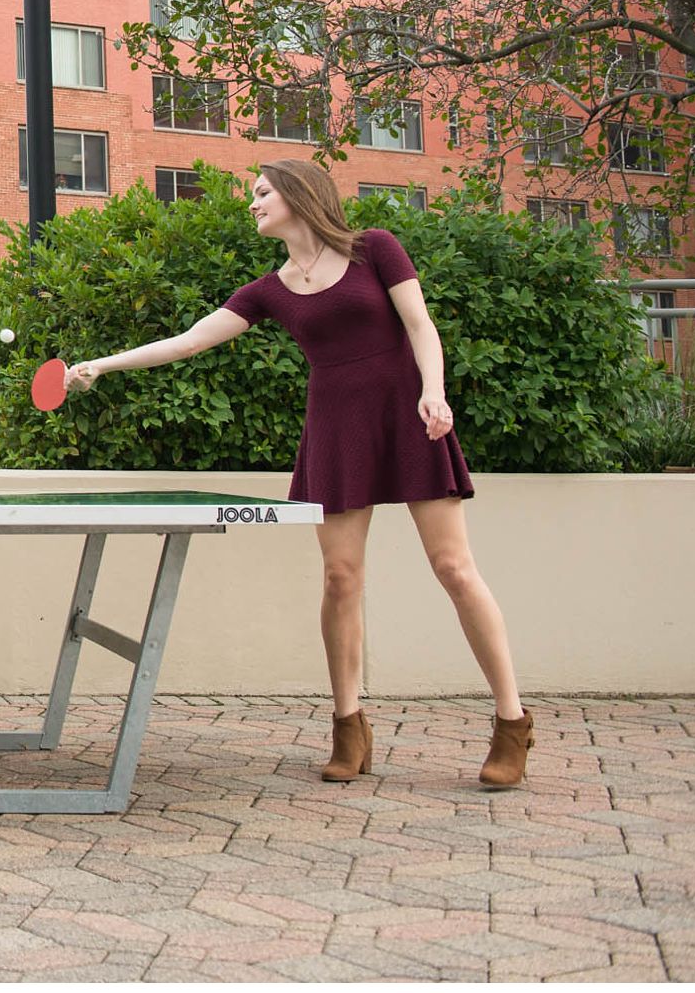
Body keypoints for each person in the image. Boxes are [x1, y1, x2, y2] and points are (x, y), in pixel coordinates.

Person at [62, 159, 532, 789]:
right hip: (337, 430)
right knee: (341, 577)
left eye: (260, 193)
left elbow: (421, 324)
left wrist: (435, 391)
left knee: (453, 568)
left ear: (297, 195)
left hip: (410, 414)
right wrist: (102, 364)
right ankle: (349, 724)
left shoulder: (376, 250)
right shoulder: (270, 289)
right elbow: (190, 340)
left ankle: (511, 722)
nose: (251, 204)